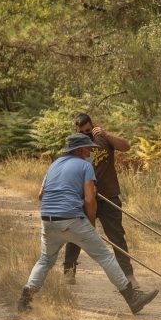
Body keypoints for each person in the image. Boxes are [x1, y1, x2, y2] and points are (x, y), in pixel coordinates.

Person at [17, 133, 159, 314]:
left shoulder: (54, 165)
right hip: (72, 219)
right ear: (79, 149)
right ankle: (132, 298)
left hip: (48, 219)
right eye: (88, 147)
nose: (92, 150)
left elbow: (41, 195)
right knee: (105, 257)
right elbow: (90, 201)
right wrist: (91, 224)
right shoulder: (85, 166)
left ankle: (24, 300)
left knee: (45, 260)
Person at [62, 113, 136, 287]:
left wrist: (106, 134)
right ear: (76, 131)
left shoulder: (102, 138)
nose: (86, 134)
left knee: (117, 237)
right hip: (83, 199)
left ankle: (128, 275)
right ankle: (68, 271)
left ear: (92, 126)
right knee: (76, 235)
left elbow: (126, 147)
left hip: (108, 196)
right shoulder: (74, 146)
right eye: (82, 132)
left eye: (88, 130)